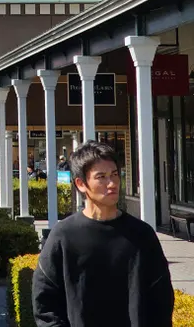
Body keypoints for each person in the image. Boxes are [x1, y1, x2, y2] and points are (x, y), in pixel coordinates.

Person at [33, 140, 174, 327]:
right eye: (101, 177)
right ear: (81, 184)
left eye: (115, 175)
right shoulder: (64, 235)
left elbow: (161, 299)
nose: (112, 183)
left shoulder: (141, 234)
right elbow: (45, 302)